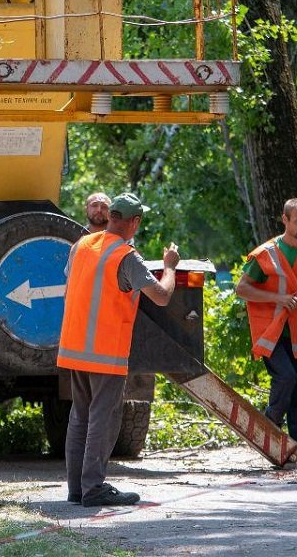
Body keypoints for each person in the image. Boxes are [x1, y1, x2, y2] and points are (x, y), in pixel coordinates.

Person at [58, 192, 179, 506]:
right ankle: (94, 488)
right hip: (105, 351)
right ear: (135, 221)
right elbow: (162, 296)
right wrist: (170, 267)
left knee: (80, 416)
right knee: (104, 417)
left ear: (110, 215)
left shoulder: (80, 246)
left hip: (74, 347)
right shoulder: (126, 255)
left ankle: (78, 488)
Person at [233, 198, 297, 461]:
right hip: (273, 333)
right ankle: (268, 430)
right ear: (285, 220)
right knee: (286, 378)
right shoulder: (266, 253)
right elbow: (241, 289)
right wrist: (277, 299)